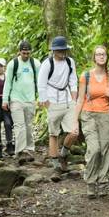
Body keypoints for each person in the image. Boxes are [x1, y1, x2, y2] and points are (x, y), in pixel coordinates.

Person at [69, 45, 109, 197]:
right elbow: (79, 100)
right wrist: (74, 121)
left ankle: (102, 180)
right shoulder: (86, 76)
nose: (101, 57)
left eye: (103, 54)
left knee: (105, 148)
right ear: (94, 57)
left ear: (106, 57)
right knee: (95, 148)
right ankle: (90, 182)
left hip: (105, 115)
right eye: (98, 54)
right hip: (88, 114)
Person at [38, 36, 78, 171]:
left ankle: (64, 152)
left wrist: (74, 100)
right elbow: (41, 84)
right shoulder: (47, 64)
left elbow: (73, 80)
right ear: (54, 51)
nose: (62, 52)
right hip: (53, 101)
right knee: (53, 133)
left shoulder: (70, 62)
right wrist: (46, 101)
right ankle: (55, 162)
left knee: (74, 132)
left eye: (64, 50)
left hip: (67, 100)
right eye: (59, 50)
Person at [3, 40, 39, 163]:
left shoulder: (35, 64)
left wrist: (41, 98)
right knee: (19, 125)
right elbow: (7, 83)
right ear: (19, 52)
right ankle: (20, 150)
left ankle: (29, 149)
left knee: (28, 125)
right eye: (24, 53)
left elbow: (39, 82)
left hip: (30, 99)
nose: (26, 56)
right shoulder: (13, 64)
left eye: (28, 53)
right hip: (16, 99)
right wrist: (5, 100)